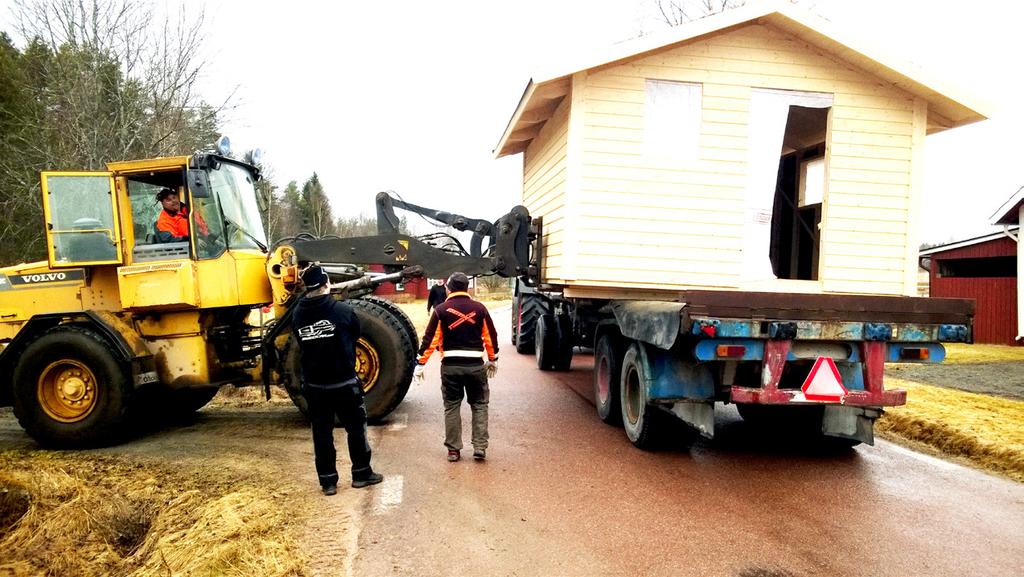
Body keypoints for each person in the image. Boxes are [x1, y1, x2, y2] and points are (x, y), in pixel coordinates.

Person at [292, 264, 383, 495]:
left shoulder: (298, 314)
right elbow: (355, 334)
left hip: (314, 386)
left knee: (321, 433)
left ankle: (328, 482)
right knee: (356, 429)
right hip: (344, 383)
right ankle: (361, 474)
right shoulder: (342, 311)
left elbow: (300, 342)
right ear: (326, 284)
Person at [414, 272, 498, 462]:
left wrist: (420, 363)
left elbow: (430, 340)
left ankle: (453, 450)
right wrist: (493, 359)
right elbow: (490, 336)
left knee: (451, 406)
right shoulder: (480, 309)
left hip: (450, 366)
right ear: (467, 288)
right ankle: (479, 448)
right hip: (475, 366)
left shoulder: (441, 310)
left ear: (448, 288)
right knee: (479, 405)